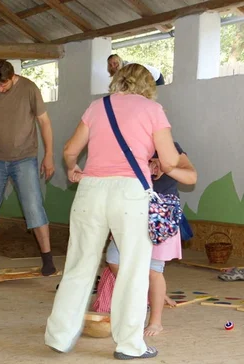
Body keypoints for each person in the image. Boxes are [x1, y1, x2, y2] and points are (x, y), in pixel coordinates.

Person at [45, 64, 183, 360]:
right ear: (147, 85)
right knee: (134, 271)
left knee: (79, 265)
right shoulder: (153, 109)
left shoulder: (97, 106)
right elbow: (170, 161)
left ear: (117, 81)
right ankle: (129, 345)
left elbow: (70, 150)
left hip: (90, 190)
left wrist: (73, 167)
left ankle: (58, 336)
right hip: (130, 193)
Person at [93, 142, 196, 337]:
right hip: (131, 211)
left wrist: (168, 168)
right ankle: (153, 292)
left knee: (153, 270)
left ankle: (155, 321)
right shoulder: (128, 144)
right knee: (114, 259)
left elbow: (191, 176)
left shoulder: (169, 146)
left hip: (160, 215)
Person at [0, 60, 57, 276]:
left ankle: (48, 259)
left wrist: (49, 155)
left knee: (33, 207)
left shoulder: (29, 88)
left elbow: (44, 122)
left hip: (24, 157)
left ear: (12, 77)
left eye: (3, 86)